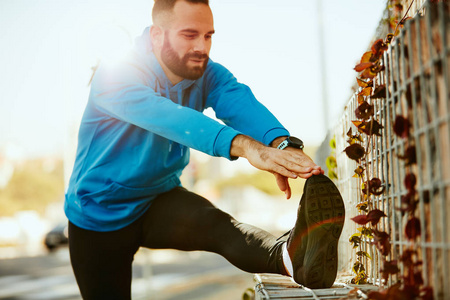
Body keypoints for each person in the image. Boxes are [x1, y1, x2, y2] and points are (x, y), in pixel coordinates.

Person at [64, 0, 345, 298]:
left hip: (156, 198)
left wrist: (282, 144)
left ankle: (293, 259)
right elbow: (172, 118)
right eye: (189, 35)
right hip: (98, 214)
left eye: (208, 35)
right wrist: (249, 148)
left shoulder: (205, 72)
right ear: (158, 35)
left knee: (218, 225)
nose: (202, 47)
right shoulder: (115, 74)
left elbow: (239, 102)